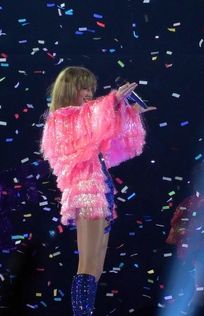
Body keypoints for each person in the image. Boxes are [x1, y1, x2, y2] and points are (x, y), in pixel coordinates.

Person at [40, 66, 156, 315]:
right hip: (86, 193)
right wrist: (112, 100)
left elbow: (108, 139)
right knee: (88, 261)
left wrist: (129, 112)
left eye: (92, 89)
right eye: (85, 87)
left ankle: (87, 311)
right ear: (70, 88)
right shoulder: (62, 119)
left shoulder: (84, 117)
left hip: (102, 192)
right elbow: (89, 121)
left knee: (98, 264)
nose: (90, 93)